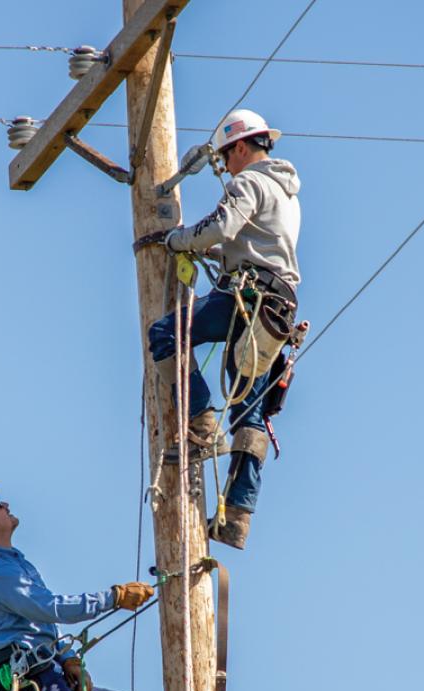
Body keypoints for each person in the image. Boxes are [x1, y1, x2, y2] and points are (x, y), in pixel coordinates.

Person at [140, 108, 302, 550]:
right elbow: (253, 244)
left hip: (246, 299)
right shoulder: (287, 193)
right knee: (249, 413)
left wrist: (176, 240)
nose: (225, 167)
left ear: (242, 148)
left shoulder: (248, 182)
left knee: (165, 334)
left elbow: (221, 227)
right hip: (277, 309)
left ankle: (202, 424)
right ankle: (237, 516)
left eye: (227, 157)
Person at [0, 484, 154, 691]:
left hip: (46, 673)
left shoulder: (16, 564)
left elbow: (42, 621)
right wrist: (114, 597)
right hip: (28, 683)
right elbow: (50, 608)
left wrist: (67, 658)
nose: (7, 505)